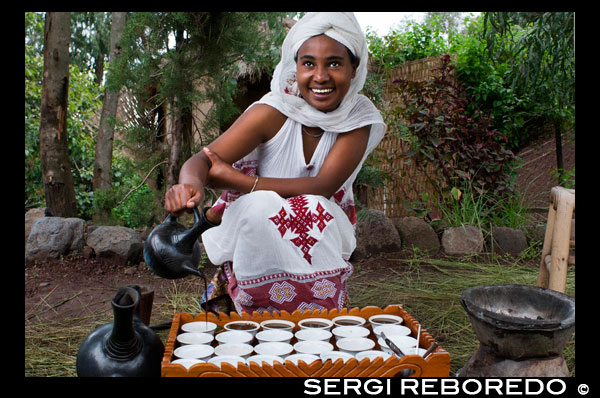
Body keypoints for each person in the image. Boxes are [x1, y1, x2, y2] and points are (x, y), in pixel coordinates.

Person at [164, 12, 386, 315]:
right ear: (295, 66)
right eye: (308, 63)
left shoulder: (357, 118)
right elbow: (204, 160)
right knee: (260, 208)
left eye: (334, 63)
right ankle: (252, 310)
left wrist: (242, 182)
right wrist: (189, 184)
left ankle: (318, 313)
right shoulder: (272, 112)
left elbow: (323, 186)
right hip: (258, 233)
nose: (320, 76)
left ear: (353, 68)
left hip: (319, 232)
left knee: (309, 206)